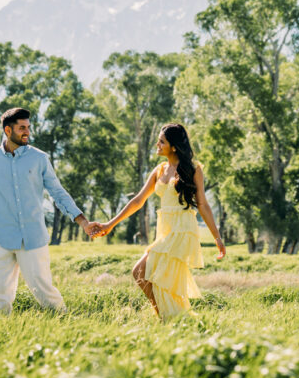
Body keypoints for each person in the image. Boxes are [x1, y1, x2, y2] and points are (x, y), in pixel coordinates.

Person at [0, 107, 101, 316]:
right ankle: (1, 338)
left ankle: (65, 325)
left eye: (28, 127)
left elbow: (58, 193)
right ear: (7, 130)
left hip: (33, 238)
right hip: (2, 237)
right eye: (22, 128)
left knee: (44, 291)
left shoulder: (39, 158)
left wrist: (83, 222)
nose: (27, 132)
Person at [93, 123, 226, 319]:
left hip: (182, 231)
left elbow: (203, 205)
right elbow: (138, 200)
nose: (157, 144)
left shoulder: (194, 169)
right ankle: (171, 317)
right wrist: (109, 224)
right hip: (165, 231)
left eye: (162, 141)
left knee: (141, 270)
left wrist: (217, 238)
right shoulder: (160, 169)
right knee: (158, 279)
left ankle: (166, 317)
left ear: (174, 146)